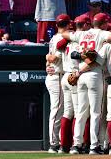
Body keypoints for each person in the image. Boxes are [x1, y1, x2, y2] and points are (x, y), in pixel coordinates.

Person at [62, 13, 111, 155]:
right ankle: (93, 145)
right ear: (103, 23)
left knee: (80, 112)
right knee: (95, 112)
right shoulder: (102, 33)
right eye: (106, 23)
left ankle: (76, 145)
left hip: (80, 74)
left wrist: (80, 54)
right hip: (94, 73)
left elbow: (65, 34)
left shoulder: (82, 34)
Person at [57, 15, 92, 154]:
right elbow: (82, 56)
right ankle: (77, 144)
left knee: (68, 112)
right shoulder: (78, 40)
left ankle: (63, 145)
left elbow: (60, 46)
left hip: (66, 76)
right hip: (74, 76)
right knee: (79, 112)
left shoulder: (64, 41)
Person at [45, 14, 71, 153]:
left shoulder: (55, 37)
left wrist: (47, 58)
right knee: (56, 111)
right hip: (57, 77)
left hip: (56, 75)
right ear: (67, 24)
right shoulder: (61, 38)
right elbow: (54, 58)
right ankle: (54, 143)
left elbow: (49, 58)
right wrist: (48, 58)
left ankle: (59, 142)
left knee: (60, 111)